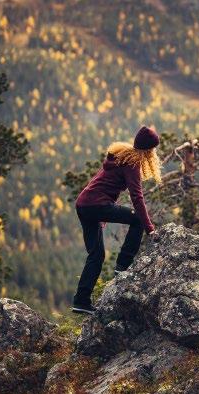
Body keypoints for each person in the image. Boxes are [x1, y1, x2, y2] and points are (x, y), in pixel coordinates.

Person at [71, 126, 162, 314]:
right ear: (148, 150)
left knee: (96, 256)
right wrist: (150, 228)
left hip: (85, 204)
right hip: (95, 206)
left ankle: (81, 301)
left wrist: (102, 212)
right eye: (153, 150)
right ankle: (123, 265)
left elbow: (100, 182)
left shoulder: (121, 155)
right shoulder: (133, 163)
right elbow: (137, 197)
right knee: (137, 220)